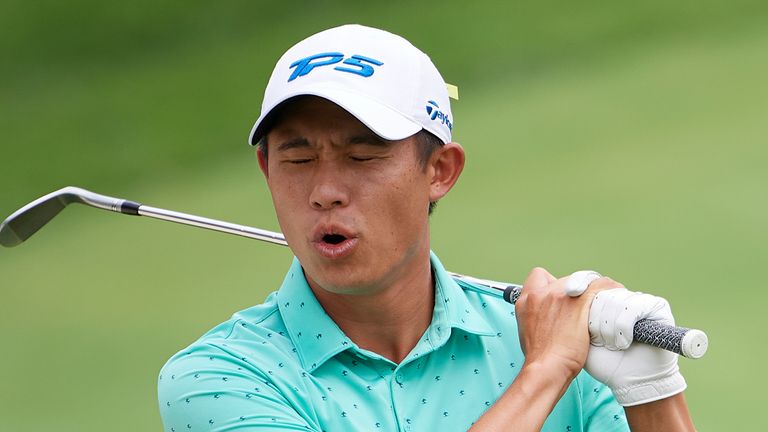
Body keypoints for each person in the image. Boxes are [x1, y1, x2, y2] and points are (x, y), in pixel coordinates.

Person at [158, 24, 696, 431]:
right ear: (266, 170)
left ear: (440, 171)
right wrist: (546, 372)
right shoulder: (219, 377)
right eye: (297, 160)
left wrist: (651, 387)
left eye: (362, 156)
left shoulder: (551, 346)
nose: (325, 191)